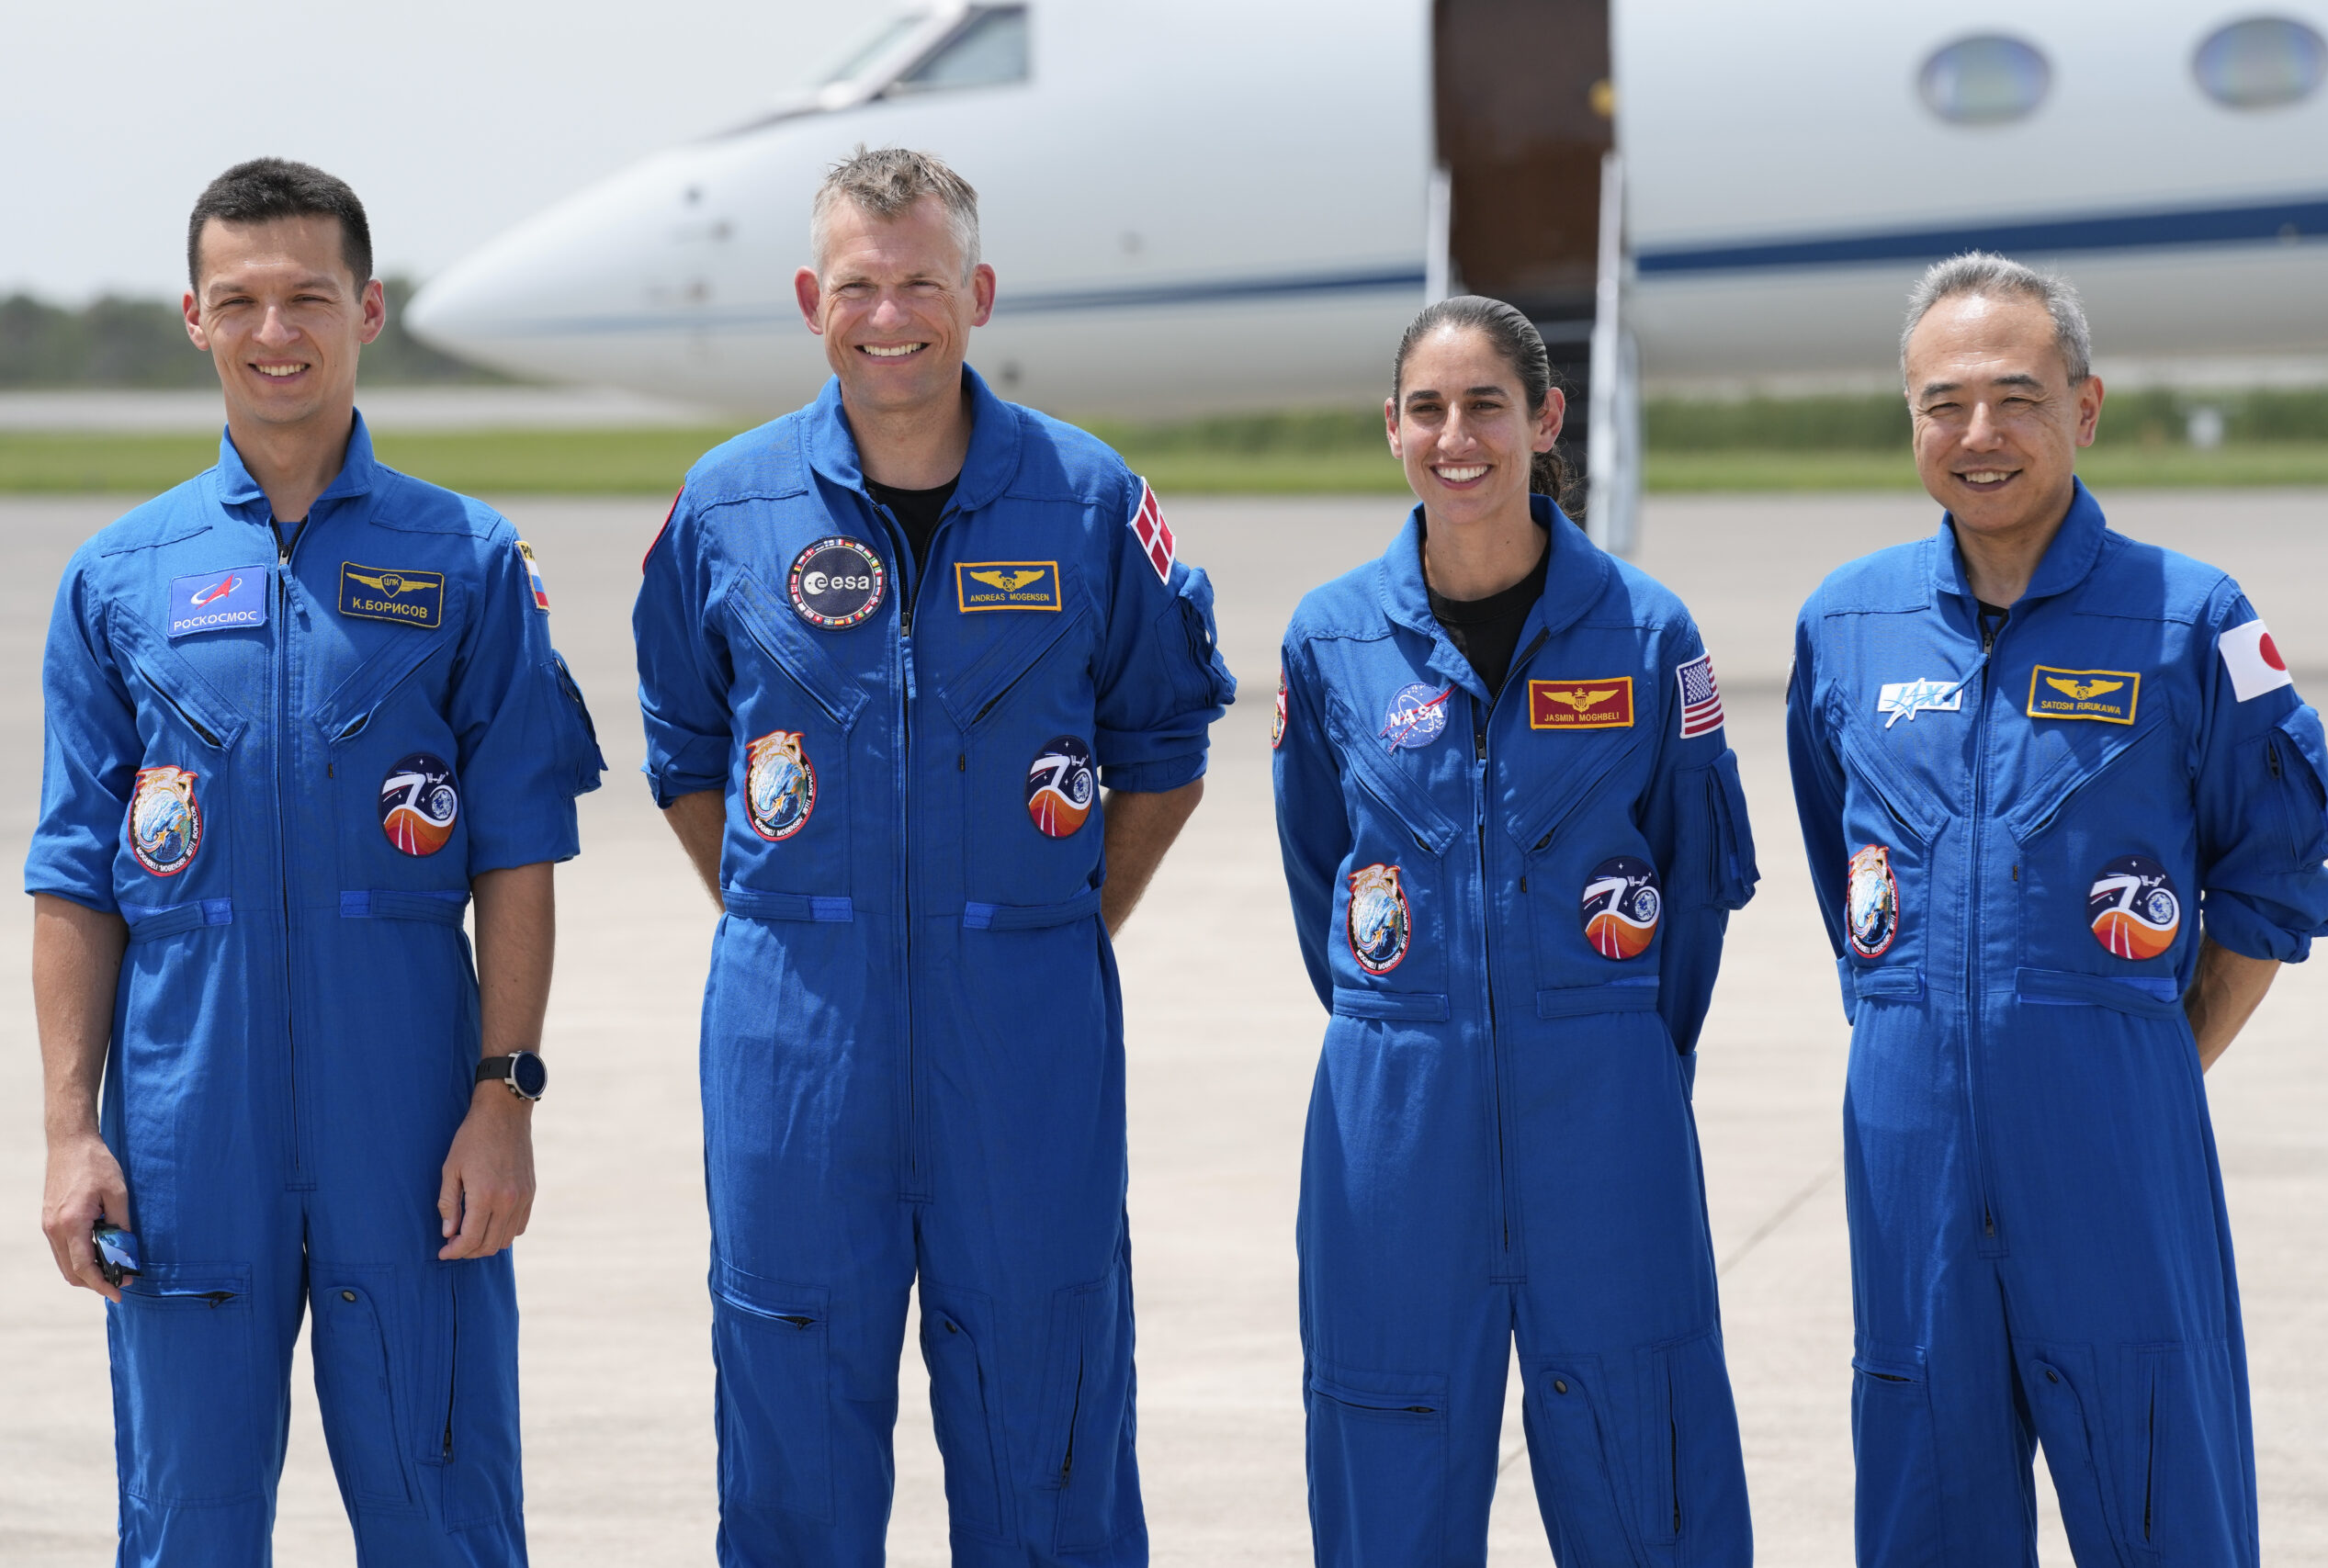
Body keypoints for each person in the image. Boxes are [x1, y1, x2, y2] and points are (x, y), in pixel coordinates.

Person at [632, 146, 1233, 1565]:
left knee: (1049, 1427)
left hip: (1025, 1043)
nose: (888, 314)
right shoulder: (726, 507)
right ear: (809, 298)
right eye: (858, 284)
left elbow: (1165, 746)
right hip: (796, 1047)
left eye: (919, 282)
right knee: (789, 1428)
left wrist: (1053, 924)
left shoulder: (1090, 503)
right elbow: (684, 750)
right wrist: (804, 927)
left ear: (978, 291)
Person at [28, 159, 604, 1566]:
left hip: (407, 1125)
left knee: (445, 1512)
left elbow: (519, 854)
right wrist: (67, 1129)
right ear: (193, 318)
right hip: (184, 1128)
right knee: (185, 1529)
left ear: (367, 311)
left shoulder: (468, 562)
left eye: (306, 297)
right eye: (240, 301)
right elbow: (73, 877)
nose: (274, 331)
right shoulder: (119, 577)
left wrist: (503, 1096)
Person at [1785, 253, 2328, 1567]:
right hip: (1910, 1150)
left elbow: (2277, 875)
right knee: (1926, 1499)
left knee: (2162, 1496)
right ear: (1911, 417)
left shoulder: (2193, 620)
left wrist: (2143, 1055)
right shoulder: (1844, 625)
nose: (1981, 434)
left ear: (2084, 410)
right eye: (1944, 402)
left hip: (2111, 1152)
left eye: (2018, 397)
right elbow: (1845, 877)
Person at [1270, 296, 1759, 1566]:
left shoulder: (1650, 635)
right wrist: (1420, 1021)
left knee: (1645, 1460)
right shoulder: (1329, 641)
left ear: (1545, 420)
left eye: (1486, 403)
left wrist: (1617, 1054)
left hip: (1604, 1107)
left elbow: (1693, 891)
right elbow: (1321, 866)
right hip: (1396, 1115)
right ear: (1391, 430)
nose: (1456, 435)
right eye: (1426, 409)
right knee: (1387, 1450)